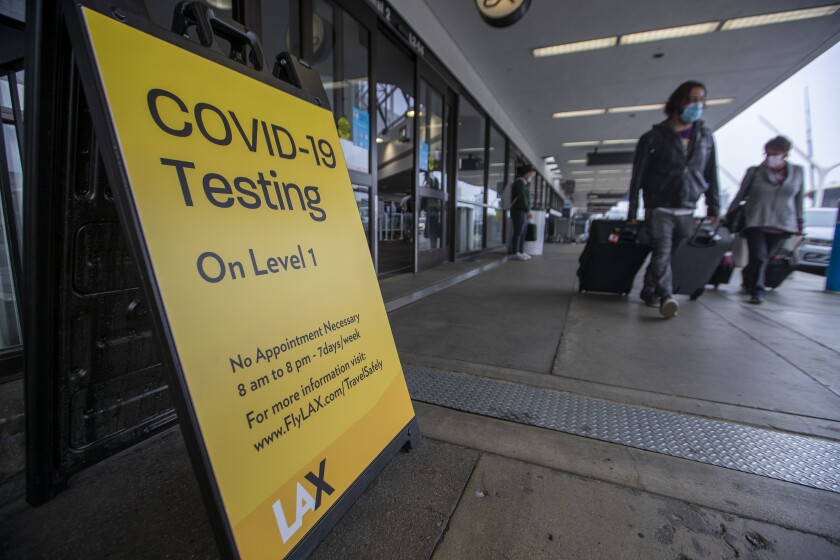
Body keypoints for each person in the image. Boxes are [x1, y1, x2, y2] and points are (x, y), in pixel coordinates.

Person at [627, 80, 720, 318]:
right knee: (661, 252)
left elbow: (711, 172)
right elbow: (638, 176)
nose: (697, 105)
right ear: (679, 101)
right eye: (692, 99)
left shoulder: (706, 137)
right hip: (659, 206)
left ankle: (649, 290)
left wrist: (714, 204)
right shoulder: (654, 137)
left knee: (669, 256)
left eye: (701, 100)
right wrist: (633, 211)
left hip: (687, 207)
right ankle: (666, 297)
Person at [726, 136, 804, 304]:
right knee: (759, 256)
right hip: (756, 220)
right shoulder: (755, 172)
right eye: (768, 153)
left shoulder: (797, 172)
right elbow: (740, 194)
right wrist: (728, 215)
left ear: (785, 154)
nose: (771, 157)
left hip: (782, 223)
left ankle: (748, 277)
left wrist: (800, 220)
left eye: (776, 153)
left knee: (765, 258)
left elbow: (798, 198)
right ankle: (758, 291)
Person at [510, 164, 535, 261]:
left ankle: (521, 251)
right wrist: (528, 209)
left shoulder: (524, 182)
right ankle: (516, 252)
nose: (531, 175)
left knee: (523, 232)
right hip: (519, 210)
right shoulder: (519, 182)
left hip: (522, 210)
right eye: (531, 172)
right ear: (527, 172)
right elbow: (522, 197)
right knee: (518, 231)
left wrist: (527, 210)